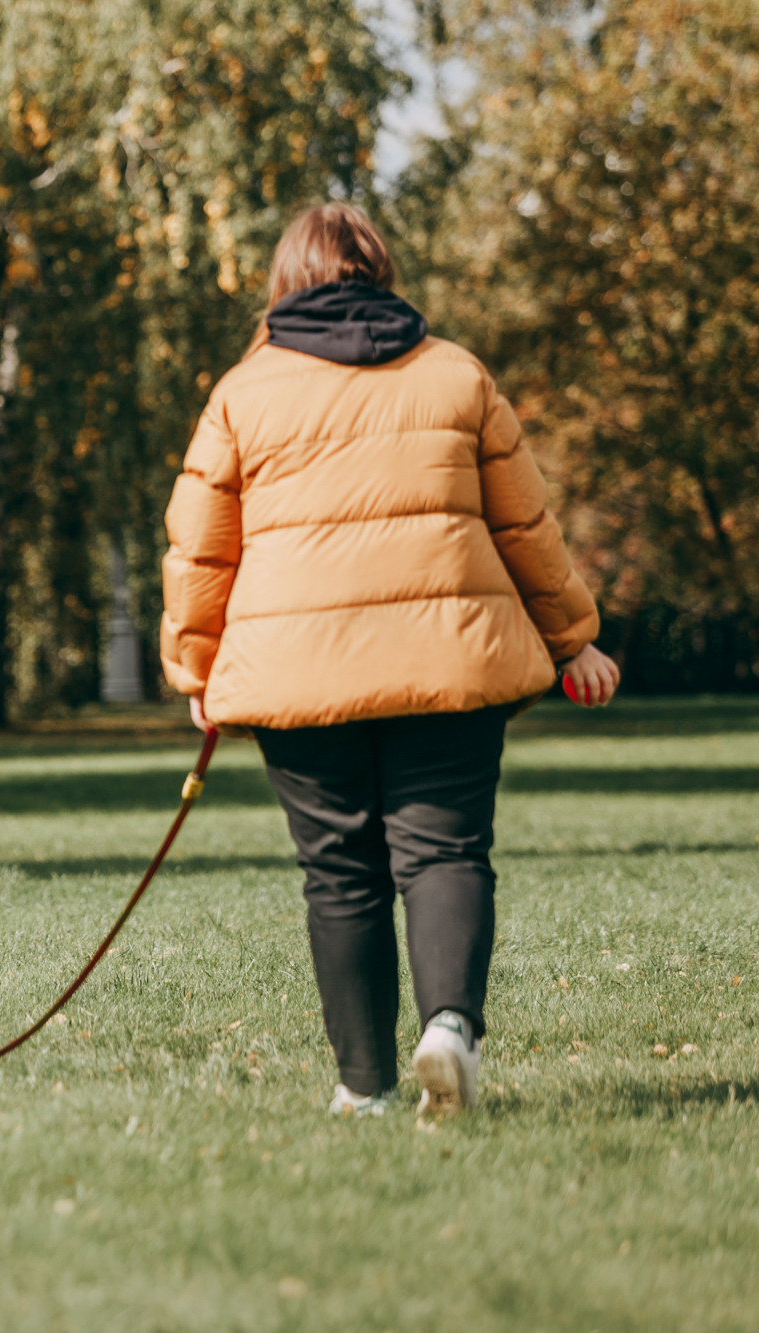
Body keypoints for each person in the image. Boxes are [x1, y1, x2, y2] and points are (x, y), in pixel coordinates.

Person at [158, 203, 621, 1118]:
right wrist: (573, 638)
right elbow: (523, 525)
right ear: (383, 271)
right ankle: (449, 1027)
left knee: (340, 875)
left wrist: (195, 670)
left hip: (297, 673)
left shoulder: (243, 392)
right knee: (445, 852)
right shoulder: (455, 374)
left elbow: (201, 549)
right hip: (450, 659)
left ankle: (363, 1089)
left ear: (284, 280)